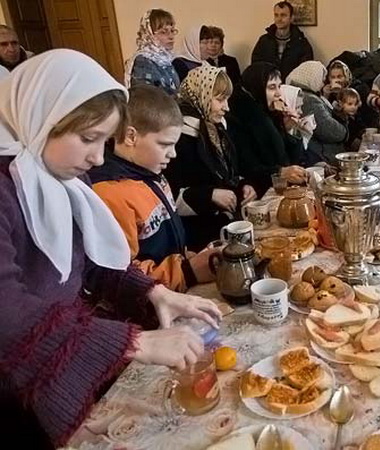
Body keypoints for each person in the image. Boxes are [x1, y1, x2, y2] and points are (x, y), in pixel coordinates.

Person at [0, 49, 221, 447]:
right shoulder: (6, 186)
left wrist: (154, 291)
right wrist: (134, 341)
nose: (98, 156)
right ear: (41, 116)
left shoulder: (63, 176)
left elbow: (97, 264)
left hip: (52, 379)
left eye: (105, 141)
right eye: (88, 138)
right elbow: (7, 312)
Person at [91, 85, 217, 291]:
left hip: (176, 288)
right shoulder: (109, 194)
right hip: (149, 308)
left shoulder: (152, 173)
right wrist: (187, 271)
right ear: (131, 137)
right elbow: (120, 274)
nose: (173, 154)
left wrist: (189, 258)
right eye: (164, 145)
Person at [166, 65, 257, 251]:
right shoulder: (178, 138)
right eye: (220, 99)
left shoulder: (216, 129)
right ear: (201, 95)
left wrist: (244, 186)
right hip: (200, 239)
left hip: (225, 225)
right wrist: (210, 195)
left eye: (227, 99)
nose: (226, 107)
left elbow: (227, 174)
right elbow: (170, 198)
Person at [227, 62, 306, 195]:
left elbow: (293, 160)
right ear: (256, 87)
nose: (278, 94)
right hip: (255, 192)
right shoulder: (242, 117)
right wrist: (280, 172)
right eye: (271, 87)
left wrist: (289, 129)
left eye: (279, 86)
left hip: (278, 187)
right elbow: (247, 166)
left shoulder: (270, 113)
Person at [286, 61, 347, 165]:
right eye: (321, 80)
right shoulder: (309, 99)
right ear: (313, 78)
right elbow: (333, 132)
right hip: (323, 157)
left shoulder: (297, 93)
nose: (323, 83)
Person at [251, 1, 314, 81]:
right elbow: (255, 67)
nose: (279, 19)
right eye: (276, 15)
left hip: (292, 88)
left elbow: (307, 70)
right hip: (268, 87)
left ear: (291, 18)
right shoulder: (264, 41)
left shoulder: (301, 43)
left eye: (283, 15)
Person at [125, 9, 180, 95]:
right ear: (149, 34)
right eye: (164, 32)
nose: (171, 36)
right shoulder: (143, 61)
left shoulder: (165, 59)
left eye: (172, 31)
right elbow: (146, 98)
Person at [333, 87, 364, 152]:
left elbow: (360, 128)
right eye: (350, 104)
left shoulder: (356, 115)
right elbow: (348, 137)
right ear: (341, 104)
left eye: (355, 104)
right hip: (347, 147)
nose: (353, 107)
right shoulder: (340, 118)